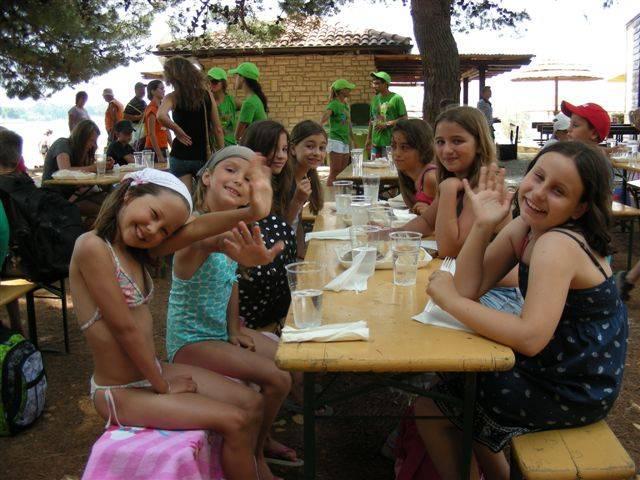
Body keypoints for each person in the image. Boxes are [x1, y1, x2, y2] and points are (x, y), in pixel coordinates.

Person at [417, 143, 628, 479]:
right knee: (451, 394)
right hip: (554, 367)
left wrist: (451, 303)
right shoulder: (527, 227)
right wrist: (483, 225)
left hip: (574, 387)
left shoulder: (557, 244)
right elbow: (471, 287)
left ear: (579, 208)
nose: (539, 193)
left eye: (558, 191)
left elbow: (530, 338)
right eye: (538, 177)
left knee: (434, 406)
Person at [69, 163, 278, 480]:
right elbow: (125, 329)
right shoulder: (92, 246)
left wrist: (251, 212)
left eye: (164, 230)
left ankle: (255, 467)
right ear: (129, 195)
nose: (153, 230)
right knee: (235, 421)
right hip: (120, 392)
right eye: (153, 214)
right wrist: (162, 385)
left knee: (252, 403)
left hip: (149, 372)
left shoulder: (137, 251)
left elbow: (196, 229)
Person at [167, 146, 295, 480]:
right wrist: (254, 212)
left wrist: (234, 329)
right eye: (230, 170)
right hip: (190, 342)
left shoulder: (233, 230)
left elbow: (230, 282)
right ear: (207, 177)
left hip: (220, 333)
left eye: (248, 177)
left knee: (292, 360)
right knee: (278, 378)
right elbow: (211, 241)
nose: (239, 180)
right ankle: (256, 456)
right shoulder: (194, 227)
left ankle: (263, 438)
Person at [400, 106, 522, 313]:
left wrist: (447, 190)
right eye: (440, 142)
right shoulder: (455, 179)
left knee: (414, 311)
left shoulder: (485, 188)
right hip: (467, 284)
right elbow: (426, 222)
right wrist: (380, 235)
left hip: (499, 293)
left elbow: (450, 249)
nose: (447, 150)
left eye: (457, 141)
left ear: (479, 145)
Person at [240, 120, 297, 332]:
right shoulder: (242, 189)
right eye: (274, 148)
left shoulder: (281, 184)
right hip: (251, 320)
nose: (281, 156)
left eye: (284, 149)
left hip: (277, 313)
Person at [158, 56, 225, 193]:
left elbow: (160, 115)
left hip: (179, 156)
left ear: (171, 78)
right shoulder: (206, 95)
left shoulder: (172, 97)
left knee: (185, 199)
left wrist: (177, 130)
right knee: (205, 199)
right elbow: (217, 129)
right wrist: (222, 155)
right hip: (202, 156)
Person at [42, 120, 114, 216]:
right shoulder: (62, 144)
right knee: (104, 212)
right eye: (92, 140)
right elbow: (65, 171)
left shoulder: (81, 151)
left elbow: (86, 172)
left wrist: (104, 165)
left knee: (111, 203)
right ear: (81, 137)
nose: (93, 144)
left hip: (73, 194)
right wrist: (95, 167)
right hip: (54, 197)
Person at [391, 118, 437, 215]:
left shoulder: (431, 178)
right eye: (394, 146)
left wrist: (429, 213)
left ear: (422, 148)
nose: (397, 153)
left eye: (404, 147)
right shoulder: (406, 175)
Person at [365, 71, 407, 159]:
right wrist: (368, 139)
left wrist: (387, 124)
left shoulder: (397, 98)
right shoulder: (374, 99)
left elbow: (404, 118)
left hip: (391, 143)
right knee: (375, 166)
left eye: (377, 83)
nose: (374, 86)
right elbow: (371, 120)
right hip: (375, 143)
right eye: (373, 83)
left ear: (386, 84)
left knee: (389, 166)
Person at [321, 79, 355, 186]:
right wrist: (319, 127)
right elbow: (325, 116)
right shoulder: (334, 104)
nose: (350, 90)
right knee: (334, 172)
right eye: (347, 88)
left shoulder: (345, 105)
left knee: (342, 172)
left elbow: (348, 124)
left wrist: (353, 140)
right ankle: (329, 193)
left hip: (345, 141)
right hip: (336, 141)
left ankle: (339, 193)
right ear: (341, 90)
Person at [229, 62, 268, 142]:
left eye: (237, 76)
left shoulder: (249, 103)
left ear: (242, 78)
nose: (235, 79)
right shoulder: (256, 98)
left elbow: (237, 136)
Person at [207, 67, 240, 147]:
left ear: (223, 83)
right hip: (213, 146)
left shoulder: (232, 101)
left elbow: (248, 111)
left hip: (230, 145)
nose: (211, 84)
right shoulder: (206, 102)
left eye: (214, 81)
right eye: (208, 81)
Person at [143, 80, 171, 164]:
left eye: (164, 89)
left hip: (163, 147)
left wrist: (173, 148)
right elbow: (151, 133)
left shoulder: (162, 108)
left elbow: (167, 130)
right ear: (153, 91)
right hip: (152, 149)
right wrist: (159, 155)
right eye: (161, 88)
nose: (164, 91)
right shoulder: (151, 108)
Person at [123, 82, 148, 148]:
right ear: (136, 90)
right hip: (138, 131)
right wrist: (139, 117)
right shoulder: (132, 103)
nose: (143, 91)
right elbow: (125, 116)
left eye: (144, 89)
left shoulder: (143, 102)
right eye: (141, 89)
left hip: (144, 131)